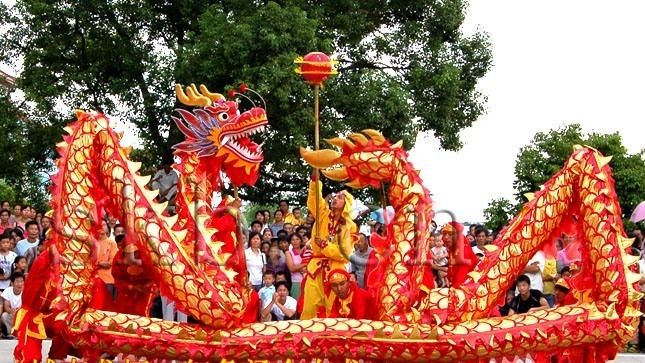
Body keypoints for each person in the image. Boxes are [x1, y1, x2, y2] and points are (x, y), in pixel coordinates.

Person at [300, 169, 357, 319]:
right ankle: (307, 339)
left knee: (333, 309)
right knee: (310, 307)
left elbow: (344, 253)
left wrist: (325, 246)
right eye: (335, 196)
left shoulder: (349, 225)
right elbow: (314, 200)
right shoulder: (323, 214)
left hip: (335, 272)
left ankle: (333, 340)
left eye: (340, 197)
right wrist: (315, 182)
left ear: (347, 204)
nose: (335, 198)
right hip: (316, 268)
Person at [441, 222, 477, 288]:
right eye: (444, 234)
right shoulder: (453, 250)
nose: (446, 237)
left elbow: (460, 281)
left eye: (450, 234)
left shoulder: (463, 252)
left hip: (464, 290)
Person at [2, 272, 24, 338]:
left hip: (21, 314)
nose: (20, 284)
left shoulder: (26, 291)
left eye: (21, 281)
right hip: (12, 314)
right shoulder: (7, 291)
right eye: (17, 281)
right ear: (12, 283)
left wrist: (19, 311)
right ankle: (10, 333)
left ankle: (21, 333)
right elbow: (6, 306)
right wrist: (12, 311)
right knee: (4, 316)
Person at [285, 233, 305, 299]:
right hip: (296, 282)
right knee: (297, 305)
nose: (295, 241)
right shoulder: (288, 252)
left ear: (301, 241)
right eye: (293, 240)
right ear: (290, 242)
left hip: (307, 281)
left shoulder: (305, 251)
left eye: (297, 239)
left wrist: (298, 267)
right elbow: (292, 268)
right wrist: (305, 264)